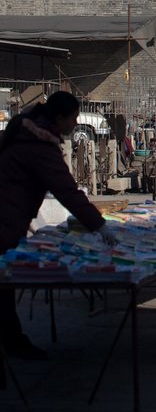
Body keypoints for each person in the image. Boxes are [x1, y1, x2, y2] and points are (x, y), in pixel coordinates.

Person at [0, 91, 117, 360]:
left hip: (11, 216)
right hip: (6, 219)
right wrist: (99, 226)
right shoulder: (38, 145)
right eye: (74, 118)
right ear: (59, 118)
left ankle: (13, 341)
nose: (76, 124)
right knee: (3, 289)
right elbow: (67, 191)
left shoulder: (28, 133)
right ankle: (13, 343)